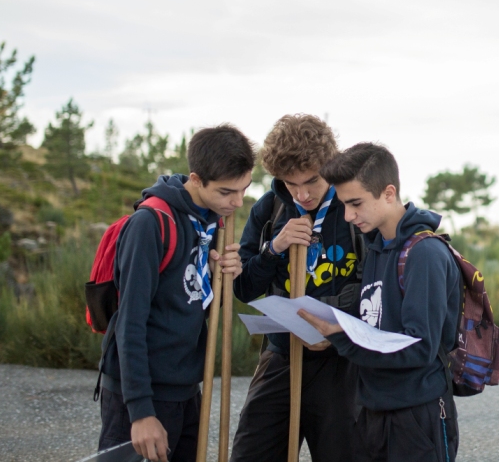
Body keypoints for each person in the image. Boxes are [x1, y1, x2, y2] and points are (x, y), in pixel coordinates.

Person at [97, 124, 254, 462]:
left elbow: (196, 303)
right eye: (228, 191)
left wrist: (222, 279)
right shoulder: (150, 224)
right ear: (196, 179)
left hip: (185, 390)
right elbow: (130, 323)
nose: (238, 201)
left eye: (245, 189)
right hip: (141, 394)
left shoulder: (212, 223)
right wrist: (140, 412)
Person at [300, 142, 461, 462]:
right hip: (371, 411)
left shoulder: (424, 254)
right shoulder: (375, 248)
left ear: (389, 193)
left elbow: (418, 348)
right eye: (344, 204)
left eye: (356, 203)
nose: (348, 215)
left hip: (415, 417)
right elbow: (377, 323)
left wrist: (340, 339)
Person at [230, 114, 364, 462]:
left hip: (340, 361)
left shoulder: (356, 208)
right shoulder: (270, 208)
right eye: (291, 184)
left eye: (312, 182)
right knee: (249, 452)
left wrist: (335, 329)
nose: (302, 194)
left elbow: (374, 288)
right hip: (281, 354)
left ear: (330, 166)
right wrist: (274, 248)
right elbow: (243, 287)